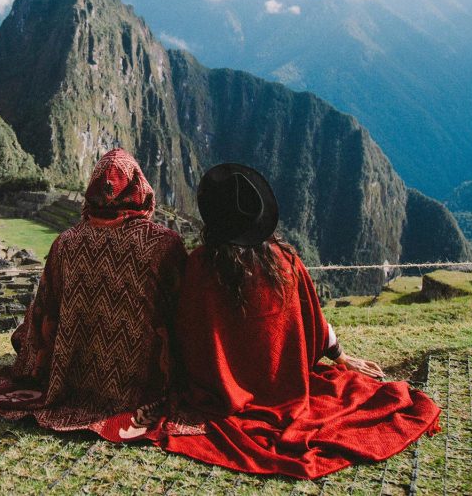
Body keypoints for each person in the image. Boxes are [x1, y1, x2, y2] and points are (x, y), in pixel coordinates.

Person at [160, 163, 441, 479]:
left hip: (220, 393)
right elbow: (314, 323)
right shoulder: (286, 262)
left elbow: (187, 331)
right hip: (285, 388)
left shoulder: (199, 268)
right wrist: (342, 358)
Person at [0, 148, 188, 440]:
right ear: (139, 187)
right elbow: (184, 316)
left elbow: (44, 312)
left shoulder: (67, 242)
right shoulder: (164, 245)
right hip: (140, 382)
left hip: (71, 376)